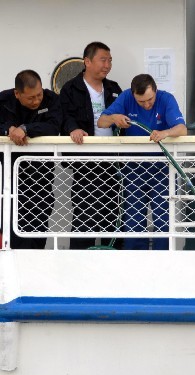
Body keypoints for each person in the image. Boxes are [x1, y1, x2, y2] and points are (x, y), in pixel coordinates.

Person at [98, 73, 187, 250]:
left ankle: (162, 262)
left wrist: (165, 133)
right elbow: (101, 122)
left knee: (163, 221)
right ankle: (134, 264)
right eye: (141, 102)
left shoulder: (166, 99)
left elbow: (182, 129)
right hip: (133, 169)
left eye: (150, 99)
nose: (147, 104)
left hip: (162, 169)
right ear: (133, 95)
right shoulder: (125, 97)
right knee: (133, 221)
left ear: (155, 90)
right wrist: (114, 118)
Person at [60, 41, 123, 249]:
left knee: (113, 214)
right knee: (85, 215)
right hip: (85, 161)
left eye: (110, 60)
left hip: (113, 161)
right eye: (103, 60)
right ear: (87, 61)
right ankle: (79, 267)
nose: (107, 65)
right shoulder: (71, 88)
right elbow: (64, 116)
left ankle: (112, 264)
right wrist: (73, 129)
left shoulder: (113, 88)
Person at [0, 69, 62, 249]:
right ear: (17, 94)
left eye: (39, 95)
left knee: (41, 216)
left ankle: (36, 264)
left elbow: (53, 126)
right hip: (11, 176)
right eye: (30, 98)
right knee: (11, 217)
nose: (36, 101)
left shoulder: (51, 99)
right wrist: (8, 130)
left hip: (41, 174)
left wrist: (26, 129)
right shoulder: (3, 101)